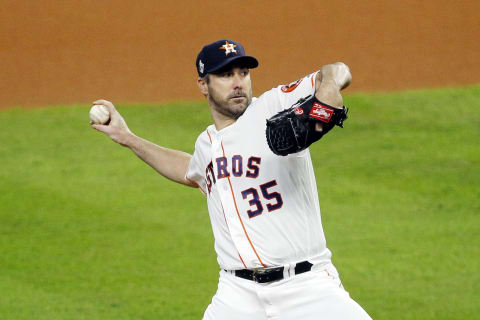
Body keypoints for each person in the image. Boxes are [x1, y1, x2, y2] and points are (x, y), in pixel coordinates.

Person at [91, 39, 372, 320]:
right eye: (226, 75)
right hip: (238, 295)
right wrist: (127, 138)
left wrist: (327, 91)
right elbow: (190, 171)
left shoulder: (273, 106)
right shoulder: (207, 144)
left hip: (304, 286)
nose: (238, 82)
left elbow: (337, 70)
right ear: (203, 84)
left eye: (243, 73)